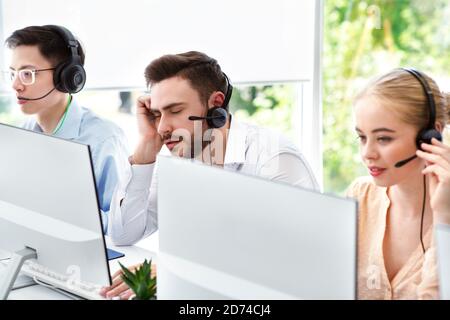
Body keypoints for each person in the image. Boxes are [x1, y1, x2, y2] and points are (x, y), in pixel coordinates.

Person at [101, 51, 319, 299]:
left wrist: (181, 270)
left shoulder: (274, 159)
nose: (162, 127)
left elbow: (297, 262)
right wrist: (145, 150)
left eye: (174, 110)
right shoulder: (180, 158)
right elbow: (123, 233)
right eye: (158, 114)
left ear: (216, 105)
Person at [3, 25, 129, 232]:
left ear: (67, 77)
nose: (16, 85)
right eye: (13, 74)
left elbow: (121, 224)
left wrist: (63, 215)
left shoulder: (104, 140)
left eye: (27, 74)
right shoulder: (22, 132)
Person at [348, 68, 450, 299]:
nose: (367, 153)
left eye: (384, 138)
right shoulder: (359, 197)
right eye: (362, 137)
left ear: (432, 134)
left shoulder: (448, 214)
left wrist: (444, 220)